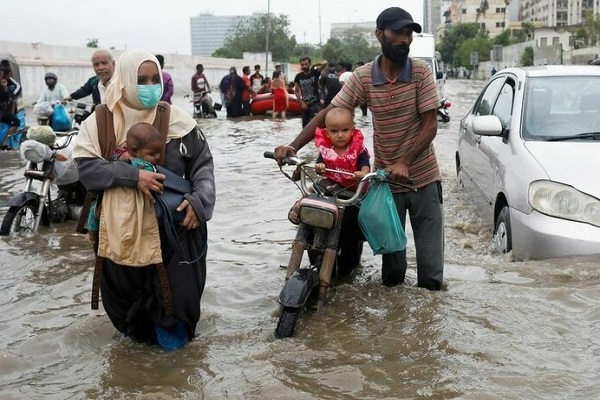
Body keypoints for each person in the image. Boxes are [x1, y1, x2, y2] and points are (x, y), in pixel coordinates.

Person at [274, 7, 444, 291]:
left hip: (424, 179)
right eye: (398, 33)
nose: (405, 39)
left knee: (431, 277)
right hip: (386, 184)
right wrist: (292, 146)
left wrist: (405, 161)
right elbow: (330, 113)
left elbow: (430, 125)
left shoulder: (420, 73)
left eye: (408, 34)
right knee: (392, 275)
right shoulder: (365, 77)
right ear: (380, 35)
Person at [73, 49, 216, 349]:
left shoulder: (179, 122)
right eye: (141, 80)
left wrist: (199, 202)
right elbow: (87, 170)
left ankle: (172, 377)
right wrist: (132, 176)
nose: (151, 86)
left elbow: (203, 167)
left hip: (175, 234)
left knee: (176, 307)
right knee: (128, 314)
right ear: (124, 80)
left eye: (154, 79)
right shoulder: (100, 122)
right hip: (119, 233)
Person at [84, 122, 164, 244]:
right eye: (152, 154)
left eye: (159, 152)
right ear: (134, 150)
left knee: (94, 212)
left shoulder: (117, 155)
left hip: (113, 203)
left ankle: (92, 236)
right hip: (136, 207)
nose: (157, 157)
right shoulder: (147, 167)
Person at [287, 107, 370, 224]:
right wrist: (320, 167)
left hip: (353, 187)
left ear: (352, 131)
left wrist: (363, 174)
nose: (340, 135)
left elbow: (365, 165)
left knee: (363, 212)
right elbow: (320, 163)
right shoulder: (326, 148)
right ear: (327, 133)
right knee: (314, 188)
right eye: (335, 131)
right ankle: (299, 205)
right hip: (332, 183)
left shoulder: (358, 149)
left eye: (345, 130)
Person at [294, 57, 327, 128]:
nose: (304, 66)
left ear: (309, 64)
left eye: (306, 64)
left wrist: (314, 65)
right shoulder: (298, 76)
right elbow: (296, 91)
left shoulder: (315, 73)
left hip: (315, 102)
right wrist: (301, 102)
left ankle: (315, 138)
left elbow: (325, 63)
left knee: (313, 123)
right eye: (302, 65)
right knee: (305, 125)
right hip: (304, 103)